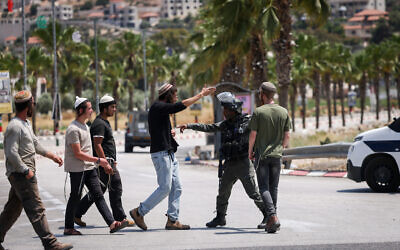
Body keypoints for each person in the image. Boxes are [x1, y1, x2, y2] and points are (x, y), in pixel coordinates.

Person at [130, 83, 216, 231]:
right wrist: (201, 95)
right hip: (161, 154)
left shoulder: (162, 110)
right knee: (165, 188)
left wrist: (170, 133)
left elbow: (162, 127)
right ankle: (139, 212)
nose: (176, 97)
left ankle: (172, 220)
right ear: (168, 95)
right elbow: (179, 106)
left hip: (169, 153)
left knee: (177, 188)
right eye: (174, 94)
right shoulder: (158, 106)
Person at [178, 92, 267, 229]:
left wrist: (256, 151)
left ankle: (268, 216)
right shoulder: (225, 125)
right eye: (223, 109)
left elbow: (259, 134)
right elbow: (208, 127)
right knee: (223, 192)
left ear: (234, 110)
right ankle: (220, 217)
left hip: (243, 163)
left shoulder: (247, 121)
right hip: (230, 164)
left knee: (253, 192)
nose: (224, 112)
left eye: (226, 109)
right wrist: (189, 125)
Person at [0, 90, 72, 250]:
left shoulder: (25, 124)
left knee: (12, 210)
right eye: (33, 103)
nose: (34, 106)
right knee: (36, 209)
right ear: (28, 105)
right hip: (21, 175)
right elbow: (11, 153)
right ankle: (51, 244)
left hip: (22, 174)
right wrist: (25, 170)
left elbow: (34, 143)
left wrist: (51, 155)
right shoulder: (14, 126)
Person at [63, 97, 128, 235]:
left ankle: (112, 224)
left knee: (98, 195)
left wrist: (103, 161)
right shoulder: (73, 129)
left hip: (89, 168)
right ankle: (68, 227)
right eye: (89, 108)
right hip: (78, 169)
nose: (92, 110)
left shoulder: (85, 126)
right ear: (81, 110)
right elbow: (78, 153)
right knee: (75, 196)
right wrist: (100, 160)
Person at [248, 82, 291, 233]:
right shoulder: (283, 111)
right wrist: (281, 147)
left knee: (264, 187)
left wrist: (250, 151)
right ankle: (272, 220)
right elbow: (287, 136)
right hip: (277, 155)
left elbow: (253, 135)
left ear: (263, 95)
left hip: (262, 155)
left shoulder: (259, 112)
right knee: (274, 187)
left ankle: (272, 216)